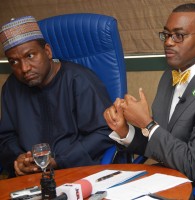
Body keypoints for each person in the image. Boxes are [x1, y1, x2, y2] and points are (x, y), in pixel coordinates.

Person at [104, 2, 195, 193]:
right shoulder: (170, 74)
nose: (168, 42)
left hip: (194, 189)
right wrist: (125, 130)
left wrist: (148, 124)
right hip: (164, 179)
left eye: (179, 36)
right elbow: (161, 143)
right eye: (167, 35)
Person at [0, 16, 114, 177]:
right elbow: (6, 138)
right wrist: (19, 159)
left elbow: (105, 132)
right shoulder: (12, 87)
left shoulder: (79, 80)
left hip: (77, 172)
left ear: (47, 51)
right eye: (14, 62)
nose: (24, 68)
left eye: (30, 56)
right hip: (30, 178)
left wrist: (60, 160)